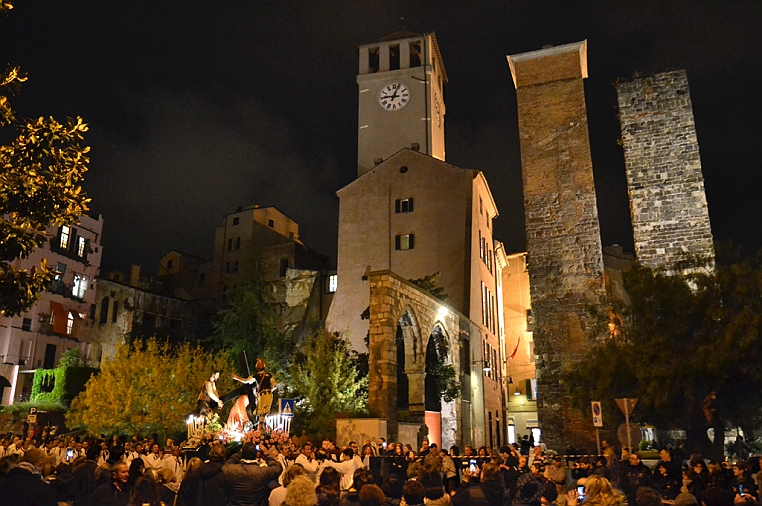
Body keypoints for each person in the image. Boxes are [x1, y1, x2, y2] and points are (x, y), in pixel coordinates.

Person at [221, 442, 282, 506]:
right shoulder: (262, 471)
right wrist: (266, 454)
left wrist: (239, 453)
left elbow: (226, 465)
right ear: (256, 454)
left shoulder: (232, 469)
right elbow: (276, 468)